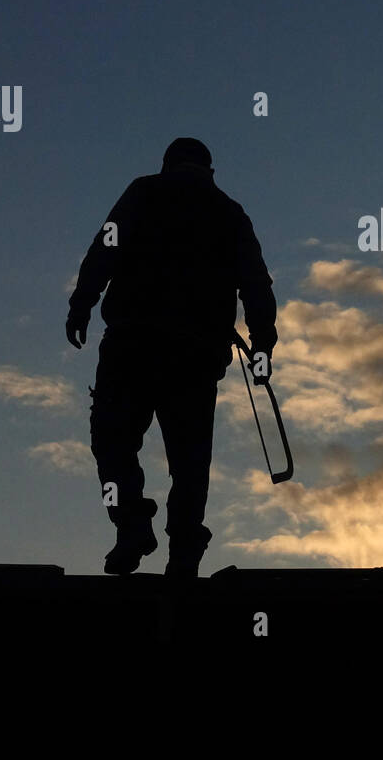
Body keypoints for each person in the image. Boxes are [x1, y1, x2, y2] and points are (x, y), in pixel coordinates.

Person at [65, 138, 277, 577]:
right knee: (190, 462)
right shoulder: (229, 213)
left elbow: (106, 245)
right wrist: (261, 343)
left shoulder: (143, 192)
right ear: (210, 171)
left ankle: (131, 526)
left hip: (132, 346)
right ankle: (183, 554)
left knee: (112, 441)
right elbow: (256, 283)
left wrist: (83, 301)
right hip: (194, 356)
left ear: (166, 165)